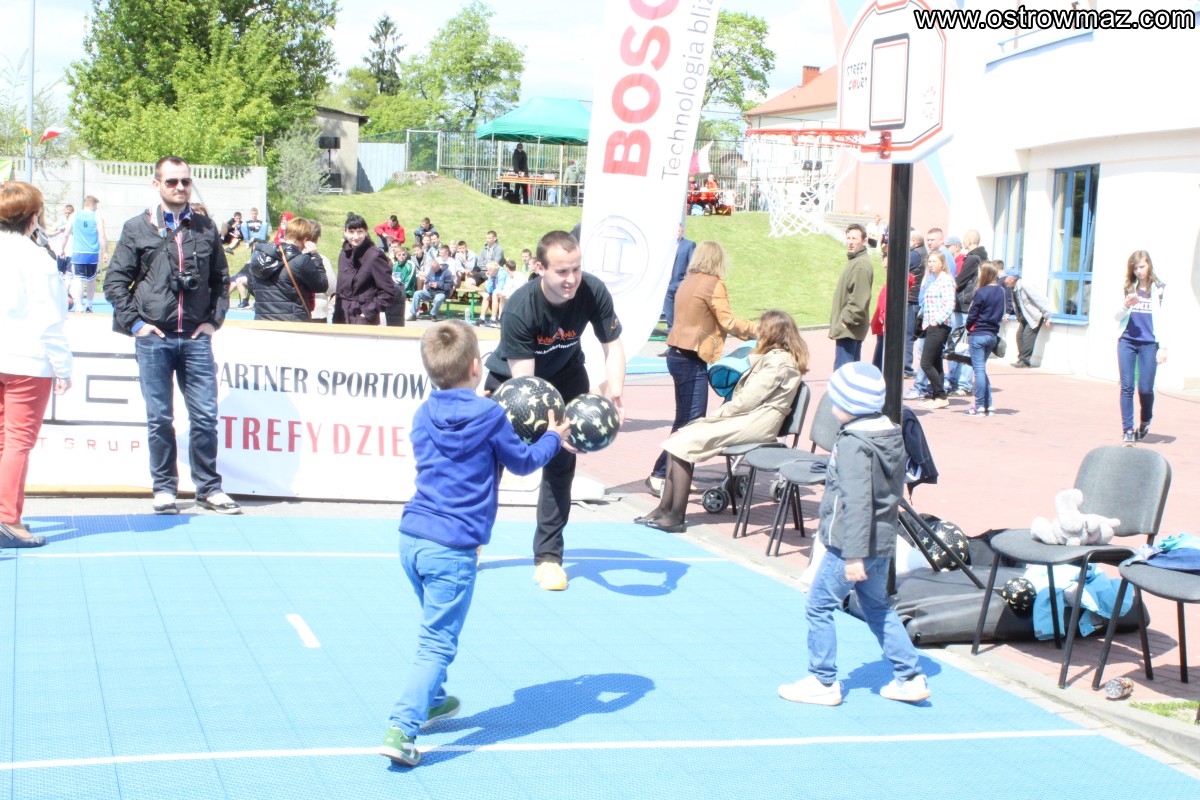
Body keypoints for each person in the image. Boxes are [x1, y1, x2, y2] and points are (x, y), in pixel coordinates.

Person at [379, 321, 568, 768]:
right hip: (452, 547)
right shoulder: (490, 416)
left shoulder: (423, 413)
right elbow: (523, 462)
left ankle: (433, 699)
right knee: (437, 642)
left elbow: (453, 438)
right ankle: (401, 728)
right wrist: (554, 438)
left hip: (412, 539)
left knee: (434, 625)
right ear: (476, 367)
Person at [777, 362, 930, 707]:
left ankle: (822, 680)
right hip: (881, 540)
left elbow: (858, 501)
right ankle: (909, 676)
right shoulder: (887, 433)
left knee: (818, 605)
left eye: (836, 400)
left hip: (851, 545)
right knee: (877, 606)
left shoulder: (853, 445)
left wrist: (854, 555)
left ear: (847, 405)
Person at [483, 230, 626, 591]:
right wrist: (548, 435)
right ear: (539, 268)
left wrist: (615, 394)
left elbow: (612, 346)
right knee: (491, 466)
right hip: (515, 384)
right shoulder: (520, 307)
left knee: (561, 466)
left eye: (576, 269)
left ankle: (549, 558)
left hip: (566, 374)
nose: (571, 279)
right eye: (562, 271)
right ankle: (472, 542)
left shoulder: (592, 291)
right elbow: (527, 390)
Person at [103, 155, 241, 516]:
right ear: (157, 184)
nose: (180, 187)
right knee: (160, 418)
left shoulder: (205, 227)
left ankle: (209, 488)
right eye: (171, 181)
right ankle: (164, 488)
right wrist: (136, 324)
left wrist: (213, 322)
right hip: (155, 339)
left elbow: (221, 281)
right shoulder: (137, 227)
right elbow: (114, 282)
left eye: (185, 181)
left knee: (205, 416)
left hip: (195, 338)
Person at [638, 310, 805, 532]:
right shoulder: (775, 358)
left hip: (757, 421)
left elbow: (747, 401)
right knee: (677, 439)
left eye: (762, 328)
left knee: (684, 442)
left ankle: (676, 516)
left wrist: (714, 417)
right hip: (752, 417)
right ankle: (664, 508)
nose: (758, 332)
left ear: (773, 332)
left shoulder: (779, 362)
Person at [645, 242, 757, 497]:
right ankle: (661, 474)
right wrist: (758, 330)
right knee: (693, 423)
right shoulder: (713, 284)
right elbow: (727, 321)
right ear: (718, 260)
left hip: (677, 354)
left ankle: (672, 476)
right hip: (691, 357)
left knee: (685, 420)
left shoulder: (688, 281)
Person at [0, 181, 73, 548]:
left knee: (5, 440)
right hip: (27, 360)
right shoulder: (36, 258)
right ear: (33, 217)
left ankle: (7, 515)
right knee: (17, 442)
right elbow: (49, 319)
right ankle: (7, 518)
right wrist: (63, 366)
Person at [1116, 250, 1167, 446]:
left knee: (1145, 388)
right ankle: (1128, 430)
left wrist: (1164, 347)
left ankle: (1145, 420)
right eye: (1135, 268)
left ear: (1149, 265)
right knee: (1127, 387)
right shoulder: (1128, 287)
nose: (1139, 271)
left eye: (1142, 267)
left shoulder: (1159, 289)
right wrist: (1125, 306)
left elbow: (1165, 318)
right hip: (1127, 341)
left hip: (1149, 343)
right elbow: (1115, 317)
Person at [248, 216, 329, 322]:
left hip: (263, 320)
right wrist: (315, 256)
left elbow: (251, 286)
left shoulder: (260, 256)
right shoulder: (301, 260)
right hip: (292, 322)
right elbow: (321, 286)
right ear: (305, 240)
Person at [332, 213, 395, 326]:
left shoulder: (375, 255)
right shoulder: (343, 254)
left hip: (361, 317)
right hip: (341, 316)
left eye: (360, 231)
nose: (355, 237)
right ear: (345, 232)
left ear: (366, 232)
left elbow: (388, 291)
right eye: (351, 232)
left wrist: (368, 311)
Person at [828, 223, 875, 370]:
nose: (850, 242)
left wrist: (846, 321)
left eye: (854, 238)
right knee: (850, 372)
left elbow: (859, 298)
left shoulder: (861, 264)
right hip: (850, 328)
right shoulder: (856, 261)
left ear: (864, 241)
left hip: (849, 330)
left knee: (843, 372)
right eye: (848, 238)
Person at [948, 230, 987, 396]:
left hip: (964, 305)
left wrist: (949, 283)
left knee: (961, 345)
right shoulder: (983, 258)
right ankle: (958, 382)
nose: (963, 241)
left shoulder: (972, 258)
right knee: (964, 344)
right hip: (973, 305)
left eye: (964, 238)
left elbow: (960, 281)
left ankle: (962, 383)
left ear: (970, 240)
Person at [963, 262, 1005, 416]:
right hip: (992, 334)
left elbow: (973, 314)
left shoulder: (981, 292)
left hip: (979, 333)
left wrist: (968, 327)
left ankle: (979, 405)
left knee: (978, 370)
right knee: (981, 369)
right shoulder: (1000, 291)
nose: (979, 275)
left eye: (980, 272)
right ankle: (989, 404)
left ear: (986, 273)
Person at [917, 251, 956, 409]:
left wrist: (936, 321)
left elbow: (949, 304)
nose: (931, 264)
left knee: (926, 363)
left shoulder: (946, 280)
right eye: (930, 261)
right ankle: (937, 396)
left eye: (934, 261)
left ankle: (941, 394)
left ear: (942, 263)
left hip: (939, 326)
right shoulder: (933, 280)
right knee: (935, 362)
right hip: (929, 325)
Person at [64, 195, 108, 313]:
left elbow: (66, 234)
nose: (96, 208)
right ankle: (89, 305)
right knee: (91, 280)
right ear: (92, 204)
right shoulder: (97, 217)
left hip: (78, 252)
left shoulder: (74, 216)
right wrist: (105, 252)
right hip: (92, 253)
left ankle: (79, 305)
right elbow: (102, 236)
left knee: (78, 279)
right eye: (96, 205)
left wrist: (62, 249)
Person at [1003, 267, 1053, 368]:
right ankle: (1021, 359)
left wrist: (1047, 316)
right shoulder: (1014, 288)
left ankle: (1025, 361)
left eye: (1006, 278)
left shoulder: (1025, 285)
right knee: (1019, 336)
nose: (1004, 280)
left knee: (1027, 337)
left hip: (1033, 316)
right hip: (1024, 317)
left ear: (1012, 278)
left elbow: (1040, 299)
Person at [661, 222, 696, 335]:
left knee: (681, 314)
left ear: (682, 231)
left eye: (678, 230)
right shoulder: (665, 245)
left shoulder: (689, 245)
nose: (676, 233)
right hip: (667, 286)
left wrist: (687, 282)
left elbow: (692, 265)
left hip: (680, 285)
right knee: (669, 314)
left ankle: (682, 339)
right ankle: (671, 340)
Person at [307, 221, 336, 323]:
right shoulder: (322, 260)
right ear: (318, 238)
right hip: (318, 310)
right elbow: (332, 287)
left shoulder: (292, 259)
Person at [409, 254, 454, 321]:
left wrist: (438, 285)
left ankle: (433, 314)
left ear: (439, 266)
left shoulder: (447, 272)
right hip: (430, 292)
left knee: (438, 299)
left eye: (435, 270)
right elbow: (427, 282)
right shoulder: (432, 271)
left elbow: (449, 286)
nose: (434, 271)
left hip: (442, 293)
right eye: (433, 269)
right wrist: (429, 285)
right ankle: (413, 314)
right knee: (417, 293)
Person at [385, 241, 415, 327]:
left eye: (403, 254)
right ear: (395, 256)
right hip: (395, 289)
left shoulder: (410, 264)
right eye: (399, 255)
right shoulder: (394, 265)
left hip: (407, 290)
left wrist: (402, 289)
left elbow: (409, 280)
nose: (402, 256)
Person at [476, 261, 505, 327]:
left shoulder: (502, 274)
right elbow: (489, 290)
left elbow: (500, 288)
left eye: (489, 270)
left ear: (494, 270)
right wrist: (489, 278)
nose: (488, 272)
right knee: (486, 295)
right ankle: (482, 318)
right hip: (496, 293)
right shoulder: (492, 274)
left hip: (504, 293)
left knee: (495, 294)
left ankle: (493, 319)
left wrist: (494, 292)